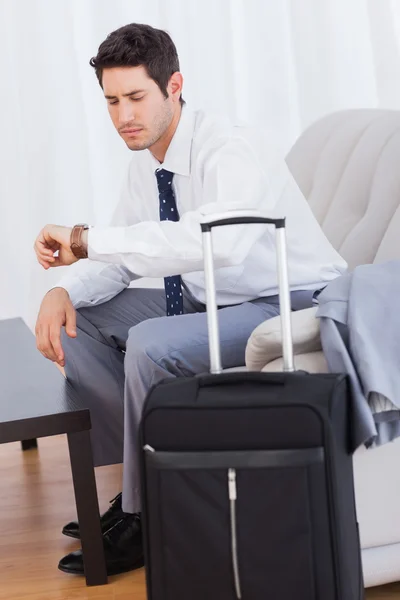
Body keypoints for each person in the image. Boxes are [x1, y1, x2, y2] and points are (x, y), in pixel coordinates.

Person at [34, 23, 347, 577]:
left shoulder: (228, 146)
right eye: (111, 101)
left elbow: (220, 245)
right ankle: (146, 477)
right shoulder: (146, 163)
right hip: (214, 304)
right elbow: (126, 258)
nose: (123, 115)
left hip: (286, 300)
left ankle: (144, 512)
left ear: (174, 85)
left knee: (150, 345)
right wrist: (63, 289)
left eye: (136, 97)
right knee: (77, 323)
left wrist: (86, 239)